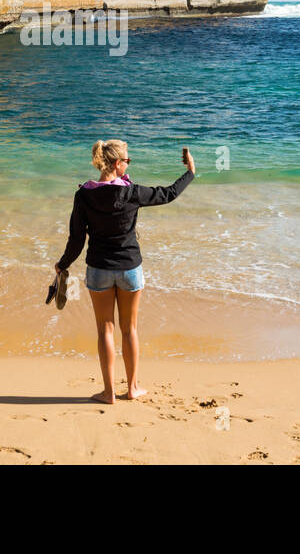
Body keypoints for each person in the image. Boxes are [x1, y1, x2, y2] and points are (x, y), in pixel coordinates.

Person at [56, 140, 194, 404]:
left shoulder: (83, 195)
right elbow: (169, 194)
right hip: (130, 268)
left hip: (98, 269)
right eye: (127, 161)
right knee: (129, 329)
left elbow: (76, 239)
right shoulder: (131, 192)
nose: (128, 164)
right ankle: (132, 388)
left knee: (104, 329)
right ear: (118, 164)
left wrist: (63, 264)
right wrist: (190, 172)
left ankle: (108, 393)